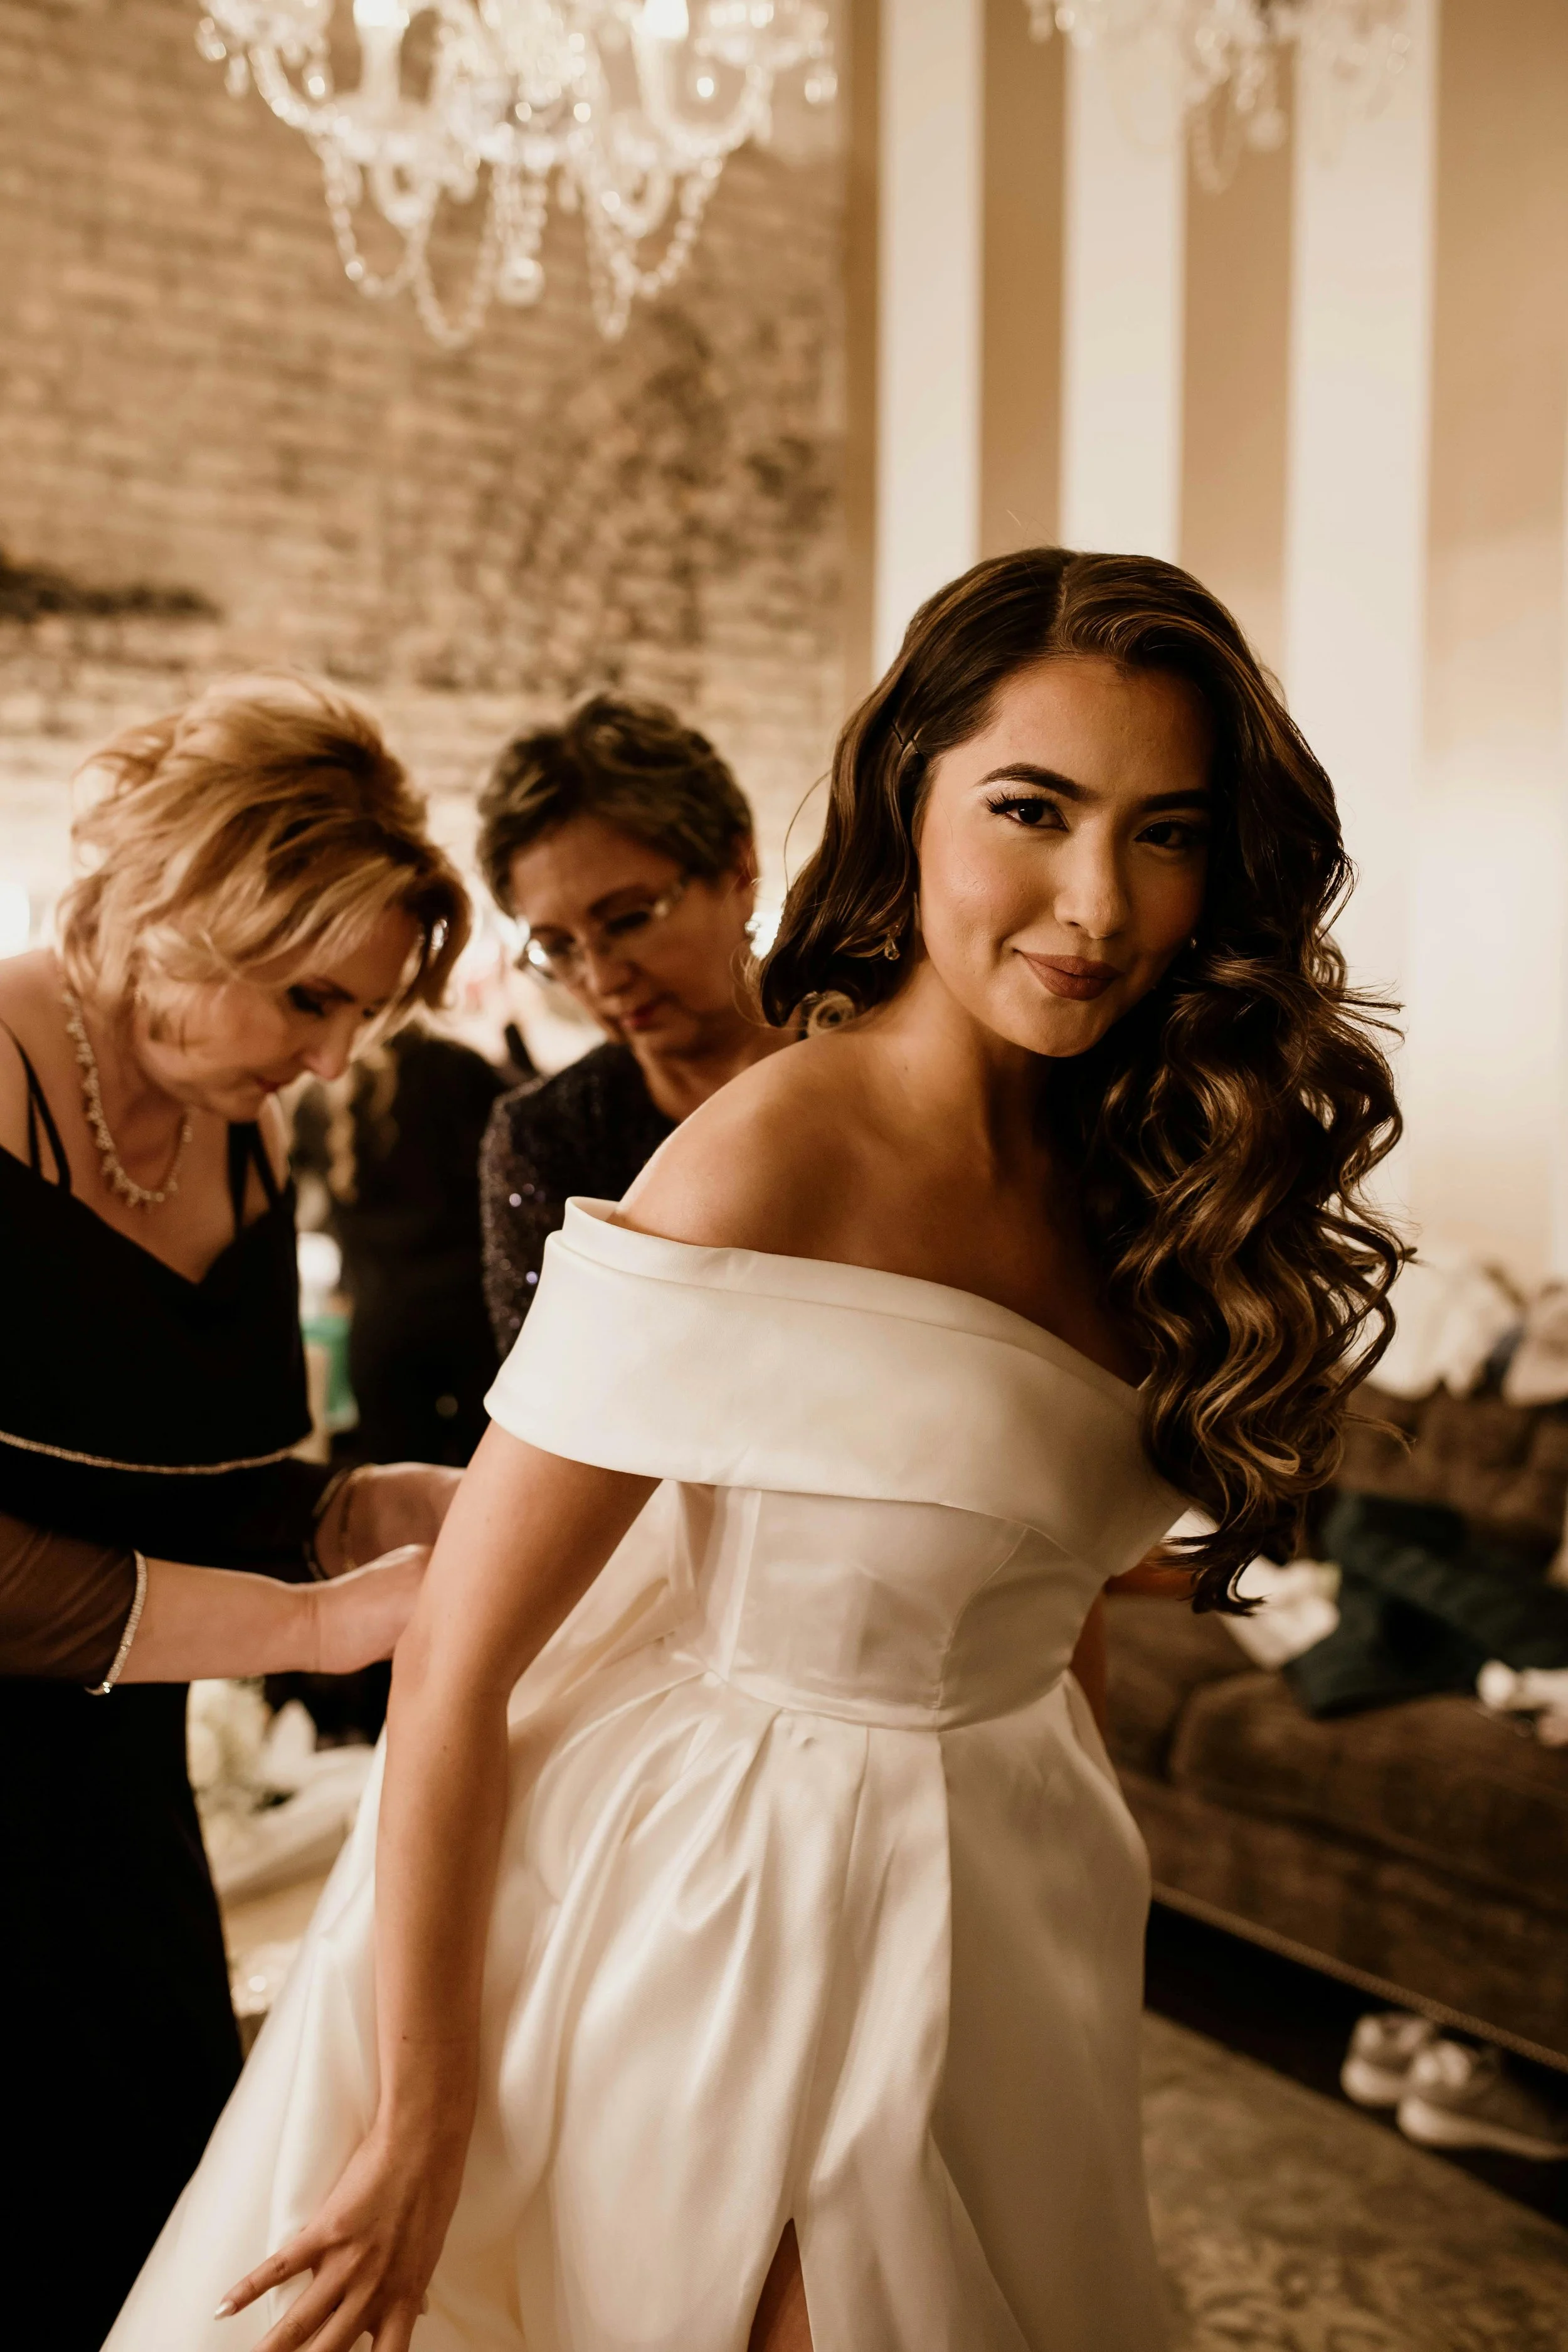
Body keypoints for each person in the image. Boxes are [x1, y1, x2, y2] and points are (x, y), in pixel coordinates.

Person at [107, 551, 1402, 2352]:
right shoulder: (760, 1160)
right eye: (1030, 808)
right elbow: (466, 1660)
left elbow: (1046, 1605)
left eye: (1164, 831)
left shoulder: (1140, 1173)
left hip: (1017, 1878)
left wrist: (1072, 1892)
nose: (1095, 901)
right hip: (730, 1900)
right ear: (908, 799)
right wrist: (421, 2115)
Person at [0, 672, 470, 2349]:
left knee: (148, 2231)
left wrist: (360, 1514)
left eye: (363, 1012)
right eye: (308, 995)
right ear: (180, 906)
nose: (336, 1055)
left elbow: (206, 1481)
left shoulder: (247, 1136)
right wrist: (312, 1621)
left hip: (110, 1815)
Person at [475, 693, 793, 1350]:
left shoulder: (877, 1063)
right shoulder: (547, 1137)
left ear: (739, 868)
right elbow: (552, 1402)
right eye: (559, 947)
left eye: (626, 919)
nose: (600, 978)